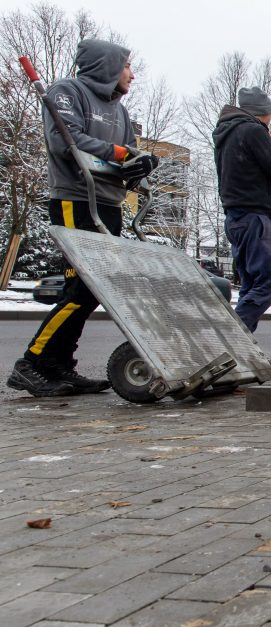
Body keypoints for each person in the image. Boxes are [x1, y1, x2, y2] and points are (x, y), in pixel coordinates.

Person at [7, 39, 158, 397]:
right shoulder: (66, 92)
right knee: (82, 288)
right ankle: (32, 363)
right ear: (107, 66)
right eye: (127, 67)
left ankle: (58, 365)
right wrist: (120, 153)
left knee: (93, 292)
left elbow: (123, 154)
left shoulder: (119, 110)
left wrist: (136, 163)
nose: (132, 75)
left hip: (108, 202)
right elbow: (66, 141)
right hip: (76, 198)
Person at [212, 86, 271, 332]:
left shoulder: (226, 133)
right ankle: (232, 337)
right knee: (269, 284)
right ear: (263, 113)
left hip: (235, 218)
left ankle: (241, 350)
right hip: (254, 217)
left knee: (250, 285)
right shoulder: (252, 131)